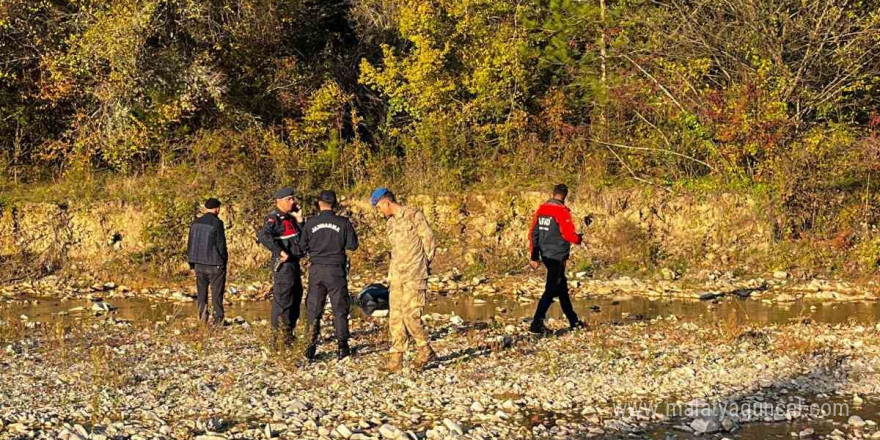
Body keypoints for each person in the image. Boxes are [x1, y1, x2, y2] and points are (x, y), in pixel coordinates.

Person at [371, 187, 437, 372]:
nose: (379, 211)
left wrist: (423, 265)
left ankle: (425, 349)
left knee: (411, 314)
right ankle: (396, 358)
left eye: (378, 207)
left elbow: (429, 241)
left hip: (415, 274)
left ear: (386, 202)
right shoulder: (390, 223)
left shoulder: (413, 216)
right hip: (397, 275)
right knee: (396, 317)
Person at [300, 190, 359, 361]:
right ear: (335, 204)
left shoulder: (310, 223)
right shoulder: (343, 222)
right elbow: (353, 245)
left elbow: (302, 247)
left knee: (313, 309)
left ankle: (310, 348)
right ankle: (342, 347)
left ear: (319, 203)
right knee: (339, 309)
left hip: (317, 270)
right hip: (336, 270)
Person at [527, 184, 586, 333]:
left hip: (545, 255)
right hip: (557, 256)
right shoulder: (561, 211)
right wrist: (579, 238)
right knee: (551, 289)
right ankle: (536, 322)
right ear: (565, 196)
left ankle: (574, 322)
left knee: (562, 289)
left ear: (553, 193)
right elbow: (568, 234)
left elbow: (533, 234)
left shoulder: (541, 210)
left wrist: (534, 256)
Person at [257, 187, 305, 343]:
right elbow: (263, 235)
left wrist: (299, 220)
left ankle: (288, 333)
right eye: (289, 199)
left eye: (293, 198)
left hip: (295, 264)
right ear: (279, 201)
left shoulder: (291, 218)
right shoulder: (274, 218)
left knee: (296, 297)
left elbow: (303, 239)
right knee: (283, 301)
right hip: (283, 266)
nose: (292, 202)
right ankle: (278, 337)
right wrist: (279, 251)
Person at [186, 197, 228, 325]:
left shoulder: (195, 222)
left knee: (202, 293)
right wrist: (224, 261)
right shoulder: (217, 223)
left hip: (199, 263)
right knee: (217, 294)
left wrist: (191, 262)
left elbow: (190, 244)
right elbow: (221, 245)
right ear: (217, 209)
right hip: (215, 263)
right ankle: (218, 320)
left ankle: (203, 318)